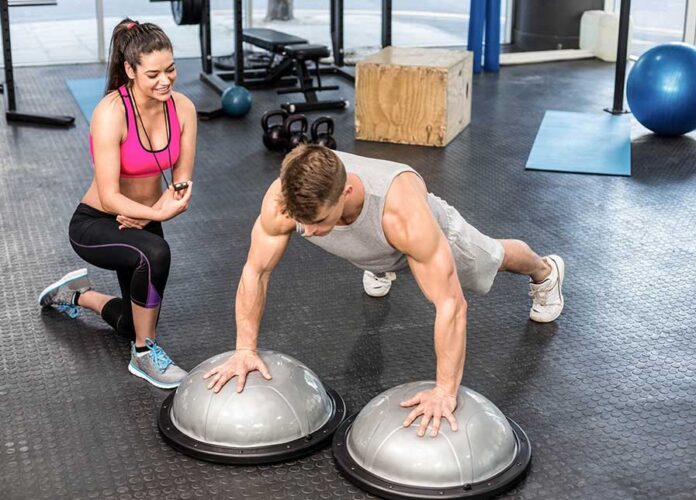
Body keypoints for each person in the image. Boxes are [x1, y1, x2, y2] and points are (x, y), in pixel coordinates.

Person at [203, 145, 565, 436]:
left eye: (317, 222)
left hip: (426, 237)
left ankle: (545, 271)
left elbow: (451, 305)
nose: (307, 233)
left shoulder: (403, 215)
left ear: (346, 192)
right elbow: (256, 271)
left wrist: (444, 391)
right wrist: (245, 349)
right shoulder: (285, 203)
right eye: (302, 222)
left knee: (493, 258)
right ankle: (377, 264)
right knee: (361, 249)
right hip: (374, 246)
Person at [38, 19, 197, 389]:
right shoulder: (111, 112)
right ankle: (144, 356)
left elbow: (182, 180)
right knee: (155, 254)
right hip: (98, 222)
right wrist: (156, 213)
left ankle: (74, 295)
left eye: (171, 69)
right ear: (130, 69)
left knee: (130, 322)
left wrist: (157, 209)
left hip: (143, 218)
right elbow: (110, 196)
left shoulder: (183, 108)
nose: (166, 80)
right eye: (153, 73)